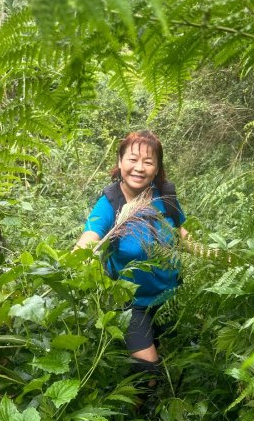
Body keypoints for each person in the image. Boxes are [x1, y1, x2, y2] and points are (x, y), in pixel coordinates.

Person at [75, 130, 188, 388]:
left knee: (170, 357)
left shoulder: (165, 196)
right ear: (120, 162)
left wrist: (209, 253)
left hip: (169, 297)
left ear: (157, 167)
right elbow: (89, 237)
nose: (139, 168)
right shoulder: (109, 204)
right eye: (133, 159)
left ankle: (160, 407)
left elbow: (181, 230)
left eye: (148, 162)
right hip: (131, 304)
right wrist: (79, 257)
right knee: (148, 370)